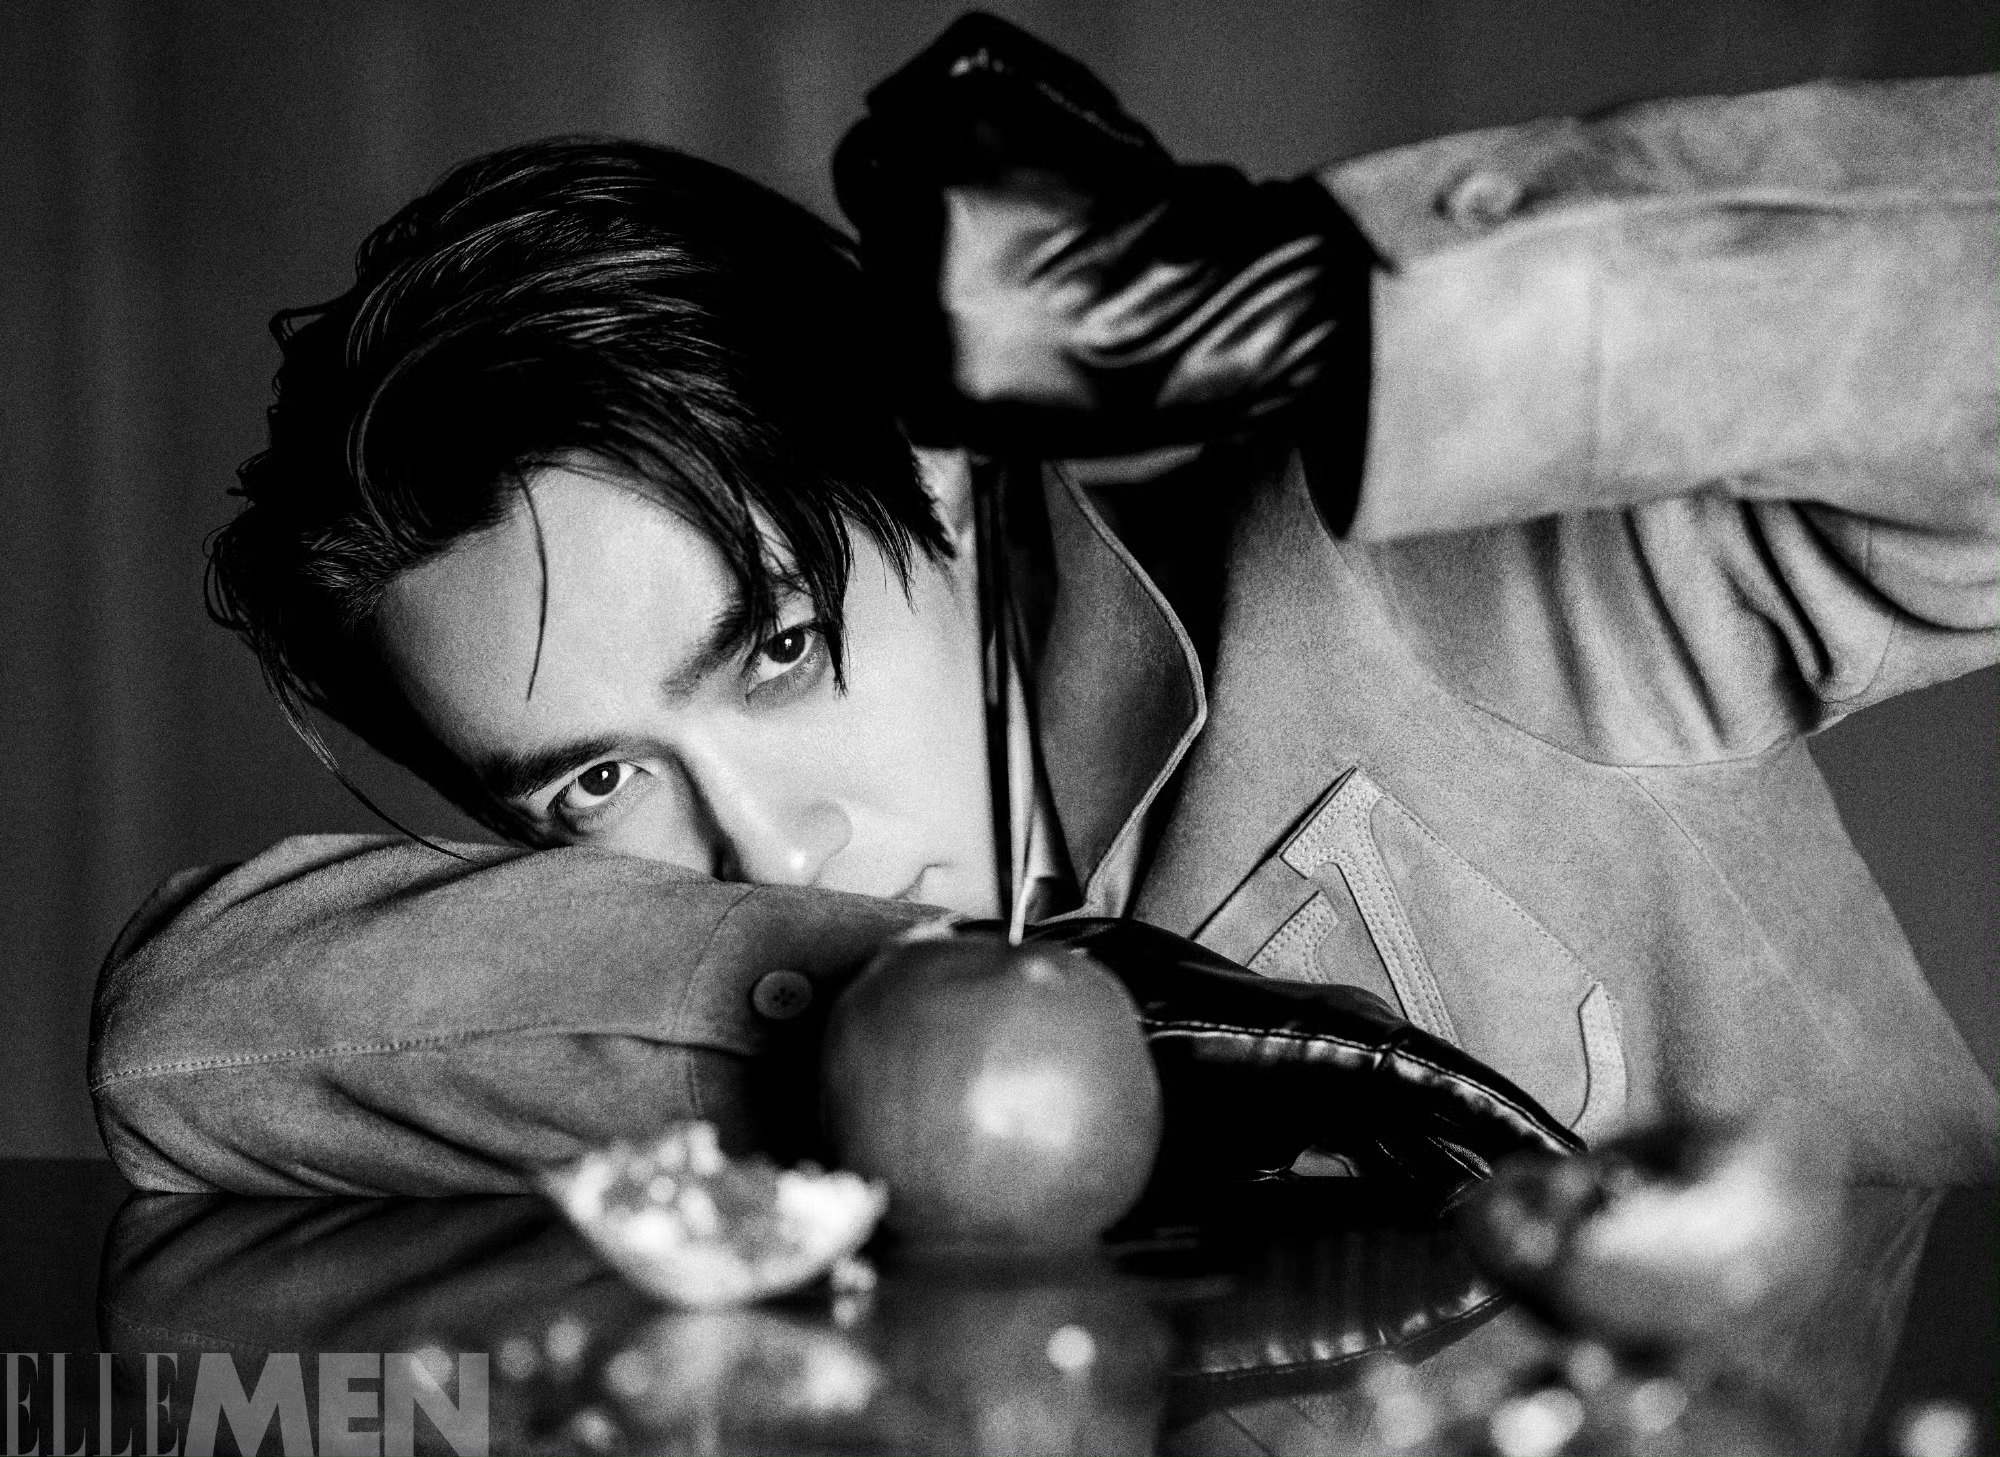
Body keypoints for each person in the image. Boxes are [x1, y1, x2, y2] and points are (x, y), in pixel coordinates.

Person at [89, 17, 1997, 1194]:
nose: (771, 845)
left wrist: (1300, 318)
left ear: (943, 471)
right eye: (595, 785)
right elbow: (183, 1032)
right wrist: (924, 1022)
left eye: (780, 647)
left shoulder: (1434, 571)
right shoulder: (676, 985)